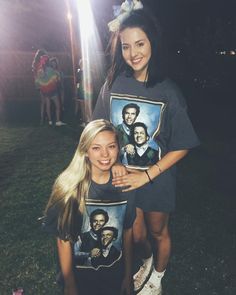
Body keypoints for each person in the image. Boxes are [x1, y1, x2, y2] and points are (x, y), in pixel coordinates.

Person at [92, 1, 200, 294]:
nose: (133, 53)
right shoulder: (113, 84)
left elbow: (183, 144)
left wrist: (148, 174)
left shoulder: (168, 91)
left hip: (158, 177)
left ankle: (158, 278)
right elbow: (100, 129)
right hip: (124, 179)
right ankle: (148, 260)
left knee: (157, 231)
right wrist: (112, 160)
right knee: (137, 235)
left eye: (140, 43)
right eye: (126, 46)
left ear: (153, 41)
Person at [43, 119, 136, 295]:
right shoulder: (70, 188)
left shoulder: (126, 185)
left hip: (114, 276)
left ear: (119, 148)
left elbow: (127, 232)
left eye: (111, 146)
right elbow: (63, 240)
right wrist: (70, 284)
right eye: (96, 148)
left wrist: (128, 274)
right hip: (80, 277)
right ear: (85, 150)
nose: (105, 155)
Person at [35, 55, 66, 126]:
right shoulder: (51, 70)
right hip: (52, 91)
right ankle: (58, 121)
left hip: (45, 91)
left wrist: (40, 87)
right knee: (58, 106)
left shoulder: (39, 70)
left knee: (47, 106)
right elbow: (57, 79)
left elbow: (37, 81)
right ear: (48, 62)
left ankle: (50, 121)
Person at [75, 58, 93, 126]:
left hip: (83, 92)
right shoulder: (88, 72)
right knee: (86, 107)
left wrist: (76, 91)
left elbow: (78, 83)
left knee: (84, 107)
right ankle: (87, 120)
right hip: (86, 91)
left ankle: (86, 121)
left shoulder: (81, 73)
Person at [32, 48, 48, 124]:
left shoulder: (36, 63)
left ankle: (43, 118)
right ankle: (45, 118)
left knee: (44, 101)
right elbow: (41, 74)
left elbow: (36, 76)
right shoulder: (41, 64)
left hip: (39, 83)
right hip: (42, 83)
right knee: (45, 101)